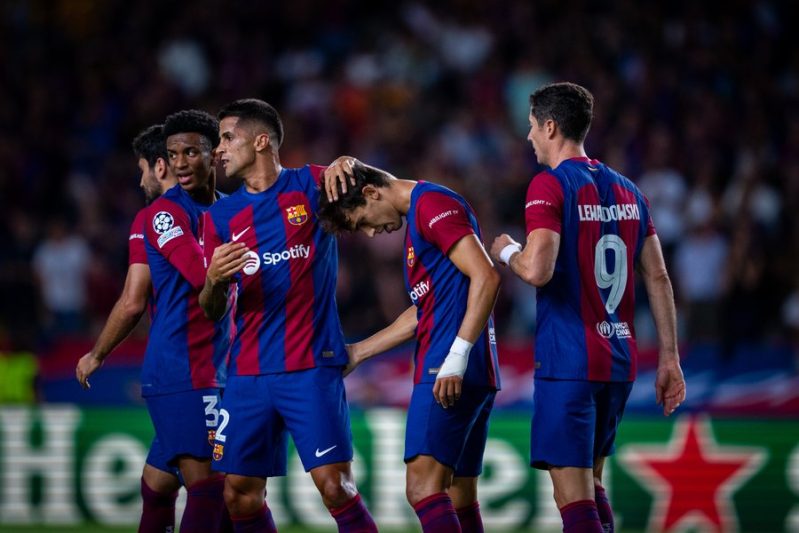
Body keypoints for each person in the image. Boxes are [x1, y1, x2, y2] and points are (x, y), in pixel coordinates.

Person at [488, 82, 686, 533]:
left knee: (572, 498)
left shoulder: (549, 185)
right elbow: (658, 277)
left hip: (569, 362)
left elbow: (538, 270)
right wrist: (669, 357)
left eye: (532, 126)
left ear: (550, 126)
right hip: (618, 362)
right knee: (591, 487)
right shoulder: (630, 191)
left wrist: (506, 251)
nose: (529, 136)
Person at [199, 98, 377, 532]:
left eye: (227, 138)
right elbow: (211, 310)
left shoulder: (312, 184)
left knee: (336, 488)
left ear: (261, 141)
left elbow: (380, 190)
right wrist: (214, 282)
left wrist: (351, 162)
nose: (218, 149)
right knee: (238, 494)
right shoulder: (219, 217)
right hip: (247, 374)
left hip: (311, 366)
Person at [320, 161, 502, 533]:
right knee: (459, 494)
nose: (371, 233)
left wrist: (455, 357)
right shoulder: (421, 218)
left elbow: (486, 276)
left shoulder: (431, 206)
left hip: (447, 367)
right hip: (470, 366)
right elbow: (425, 311)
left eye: (363, 222)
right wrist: (359, 351)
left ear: (371, 192)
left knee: (423, 488)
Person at [76, 124, 185, 532]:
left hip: (188, 372)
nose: (140, 181)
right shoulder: (220, 209)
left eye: (142, 170)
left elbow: (132, 300)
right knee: (156, 485)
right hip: (220, 366)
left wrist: (97, 353)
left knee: (218, 492)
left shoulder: (153, 217)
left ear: (160, 166)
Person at [140, 110, 233, 532]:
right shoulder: (165, 213)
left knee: (159, 486)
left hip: (218, 367)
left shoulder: (229, 208)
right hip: (185, 369)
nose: (179, 163)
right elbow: (202, 277)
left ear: (214, 155)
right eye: (173, 154)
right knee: (211, 487)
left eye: (191, 152)